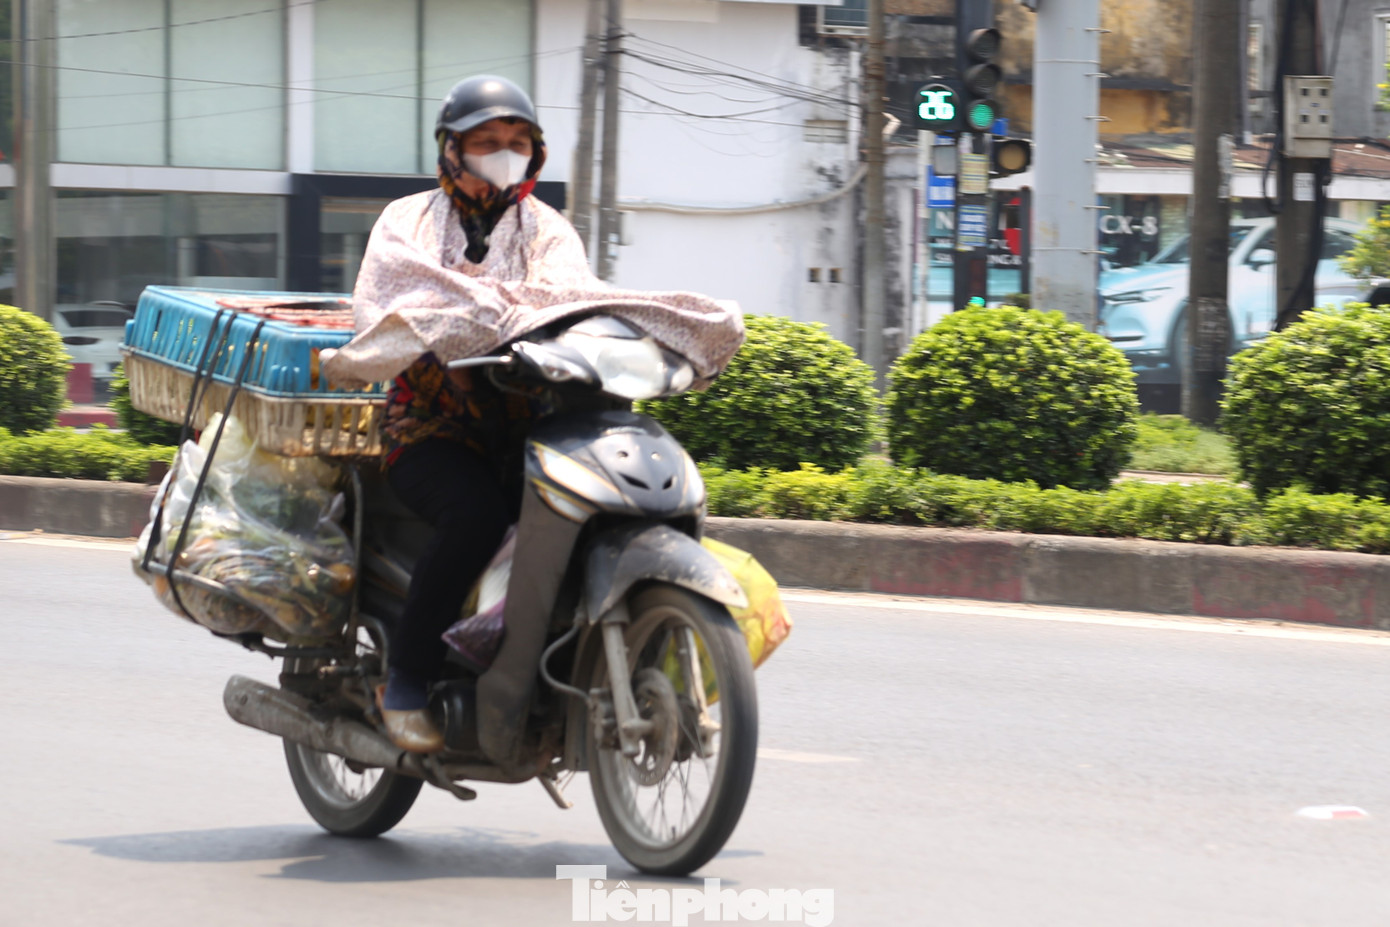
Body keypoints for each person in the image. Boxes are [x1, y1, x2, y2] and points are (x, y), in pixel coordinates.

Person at [321, 75, 745, 753]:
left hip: (532, 426)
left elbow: (566, 299)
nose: (504, 153)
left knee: (596, 513)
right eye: (487, 140)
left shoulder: (547, 228)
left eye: (518, 142)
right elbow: (399, 302)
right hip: (429, 426)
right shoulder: (407, 221)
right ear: (452, 149)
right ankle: (406, 678)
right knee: (476, 516)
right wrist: (468, 323)